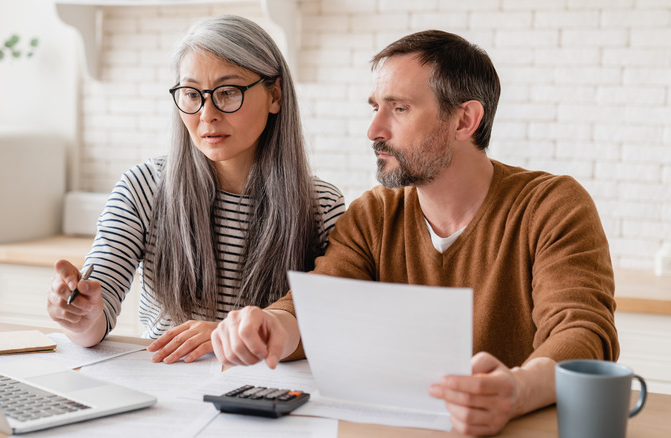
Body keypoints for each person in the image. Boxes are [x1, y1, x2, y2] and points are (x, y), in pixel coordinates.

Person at [210, 29, 618, 436]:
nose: (374, 130)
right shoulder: (373, 214)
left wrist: (516, 390)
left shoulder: (551, 206)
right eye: (375, 108)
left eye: (399, 109)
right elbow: (319, 305)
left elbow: (583, 334)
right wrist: (270, 326)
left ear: (465, 120)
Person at [46, 15, 344, 365]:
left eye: (228, 92)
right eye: (191, 94)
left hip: (268, 391)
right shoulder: (144, 186)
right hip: (169, 384)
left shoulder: (321, 205)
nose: (207, 114)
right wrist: (79, 313)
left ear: (275, 95)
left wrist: (226, 338)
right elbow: (96, 316)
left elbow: (328, 325)